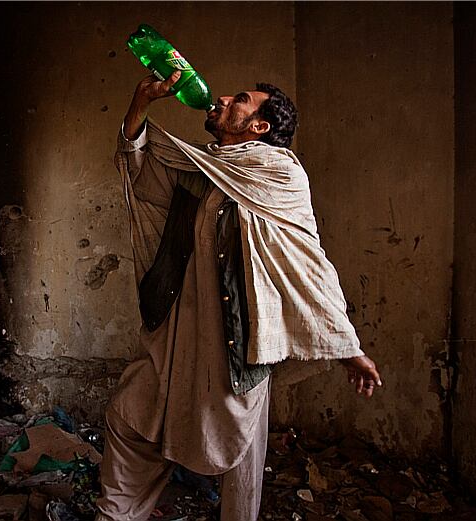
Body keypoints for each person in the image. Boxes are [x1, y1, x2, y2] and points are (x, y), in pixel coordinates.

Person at [95, 71, 382, 521]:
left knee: (238, 452)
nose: (224, 98)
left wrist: (348, 348)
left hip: (236, 352)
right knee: (129, 419)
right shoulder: (202, 169)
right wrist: (140, 104)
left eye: (241, 100)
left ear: (259, 126)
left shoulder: (279, 175)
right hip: (176, 341)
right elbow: (140, 171)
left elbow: (308, 266)